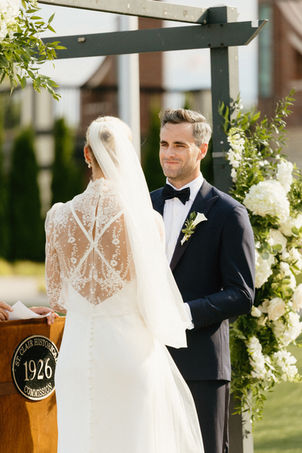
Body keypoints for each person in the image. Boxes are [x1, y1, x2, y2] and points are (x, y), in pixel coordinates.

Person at [45, 116, 204, 453]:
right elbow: (154, 299)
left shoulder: (57, 217)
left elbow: (57, 296)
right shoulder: (147, 221)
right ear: (127, 154)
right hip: (130, 355)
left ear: (87, 154)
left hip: (76, 356)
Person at [151, 108, 255, 453]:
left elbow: (241, 294)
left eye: (179, 144)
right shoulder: (142, 206)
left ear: (202, 149)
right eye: (164, 143)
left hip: (201, 365)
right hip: (147, 360)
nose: (168, 153)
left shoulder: (228, 213)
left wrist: (183, 313)